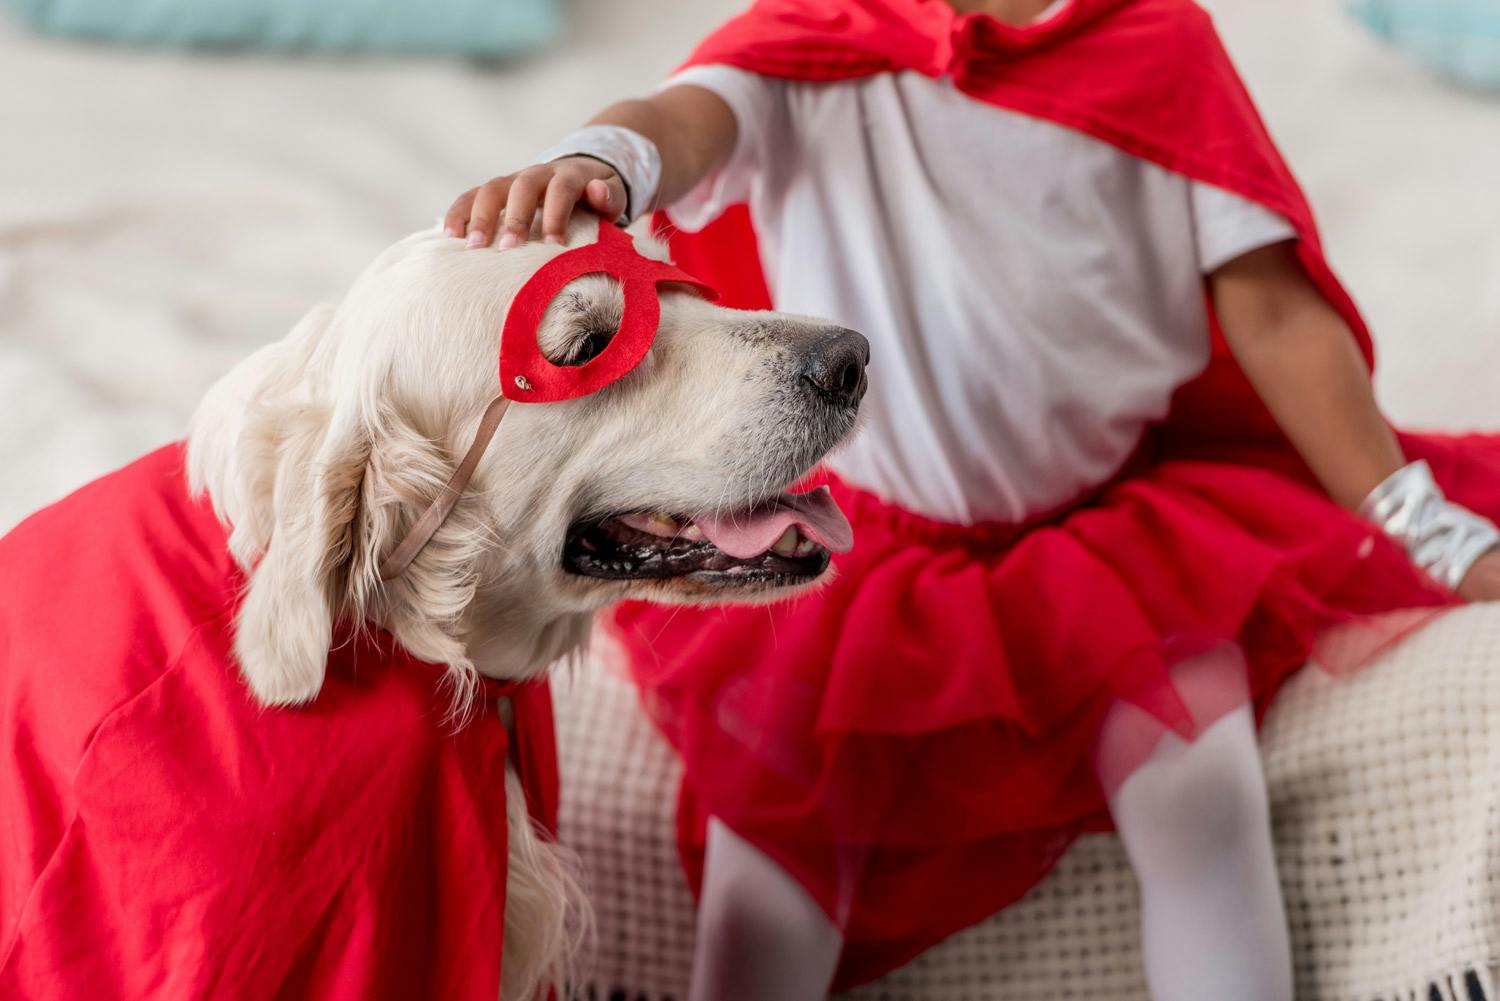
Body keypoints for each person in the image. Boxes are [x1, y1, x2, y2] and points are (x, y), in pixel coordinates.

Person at [446, 1, 1500, 998]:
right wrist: (605, 160)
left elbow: (1276, 315)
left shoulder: (1156, 43)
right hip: (867, 549)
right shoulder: (815, 40)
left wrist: (1423, 523)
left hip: (1117, 537)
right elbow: (681, 119)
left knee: (1200, 799)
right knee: (770, 851)